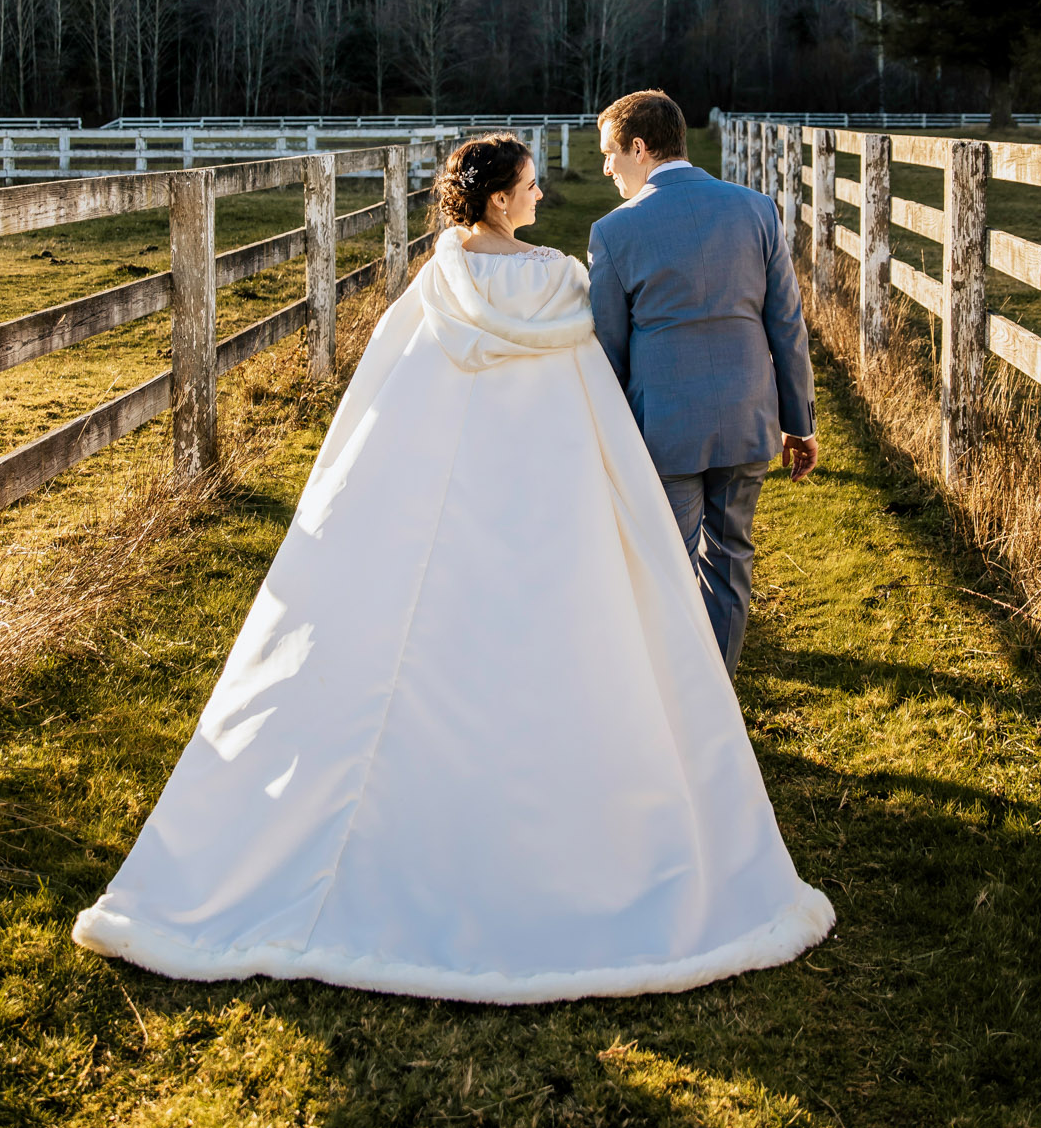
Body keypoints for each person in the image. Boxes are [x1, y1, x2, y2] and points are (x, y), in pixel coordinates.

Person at [73, 132, 833, 1000]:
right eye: (533, 186)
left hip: (446, 501)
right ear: (502, 200)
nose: (544, 197)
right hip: (549, 502)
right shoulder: (557, 283)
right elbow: (594, 379)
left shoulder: (434, 286)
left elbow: (387, 398)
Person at [588, 90, 816, 677]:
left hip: (664, 430)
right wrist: (800, 424)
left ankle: (675, 703)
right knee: (731, 558)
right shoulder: (756, 209)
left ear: (639, 147)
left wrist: (605, 438)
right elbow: (786, 325)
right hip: (748, 421)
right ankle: (718, 692)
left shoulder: (614, 234)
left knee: (666, 566)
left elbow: (609, 353)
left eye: (611, 152)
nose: (606, 166)